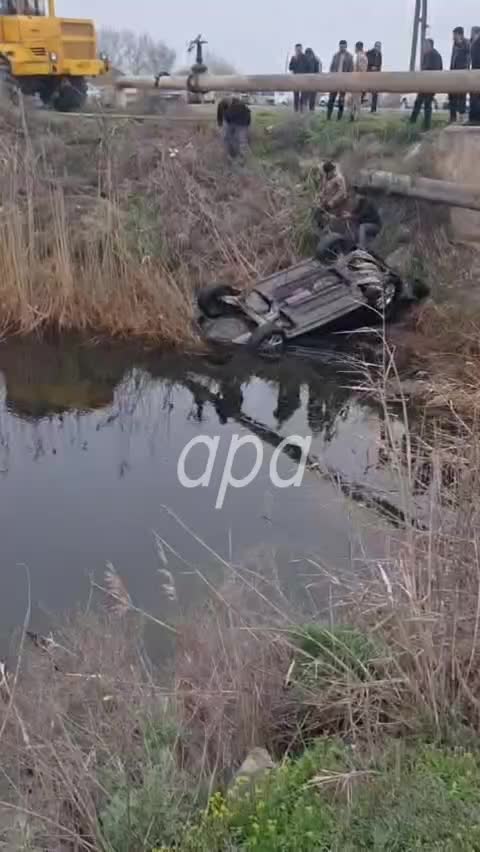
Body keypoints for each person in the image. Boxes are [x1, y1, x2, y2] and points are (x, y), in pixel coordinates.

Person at [410, 38, 443, 130]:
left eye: (425, 45)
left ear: (429, 45)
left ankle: (425, 125)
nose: (423, 47)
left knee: (426, 103)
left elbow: (436, 69)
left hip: (430, 83)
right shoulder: (427, 55)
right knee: (419, 102)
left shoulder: (434, 55)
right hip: (426, 83)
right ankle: (414, 122)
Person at [313, 160, 348, 228]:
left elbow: (342, 192)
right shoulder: (326, 177)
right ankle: (321, 227)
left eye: (328, 173)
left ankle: (327, 227)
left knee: (323, 213)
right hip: (327, 200)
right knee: (316, 211)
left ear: (331, 171)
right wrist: (319, 196)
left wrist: (332, 201)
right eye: (326, 173)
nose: (327, 175)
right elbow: (323, 189)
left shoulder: (339, 178)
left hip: (338, 201)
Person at [327, 40, 354, 120]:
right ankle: (328, 117)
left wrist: (348, 80)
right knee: (331, 98)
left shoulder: (349, 56)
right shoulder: (335, 56)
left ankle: (339, 117)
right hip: (335, 80)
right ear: (339, 46)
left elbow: (351, 69)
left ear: (346, 46)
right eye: (341, 46)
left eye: (343, 46)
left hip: (344, 80)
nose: (342, 48)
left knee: (341, 100)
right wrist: (331, 76)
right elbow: (331, 67)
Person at [449, 26, 470, 123]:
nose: (453, 36)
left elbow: (468, 57)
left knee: (462, 95)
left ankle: (461, 118)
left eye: (454, 34)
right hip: (453, 73)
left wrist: (466, 70)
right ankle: (452, 118)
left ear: (460, 34)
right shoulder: (454, 44)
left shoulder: (466, 43)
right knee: (452, 95)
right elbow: (453, 57)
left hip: (462, 73)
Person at [350, 41, 368, 121]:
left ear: (357, 47)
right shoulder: (361, 56)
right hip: (357, 81)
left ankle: (357, 117)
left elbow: (362, 70)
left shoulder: (361, 57)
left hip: (358, 81)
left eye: (355, 47)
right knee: (354, 100)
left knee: (357, 100)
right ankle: (353, 115)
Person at [289, 43, 310, 112]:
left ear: (301, 49)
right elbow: (290, 68)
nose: (298, 50)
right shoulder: (293, 58)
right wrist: (294, 60)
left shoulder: (305, 57)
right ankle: (296, 110)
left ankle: (302, 110)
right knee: (296, 95)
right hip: (295, 79)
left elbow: (308, 67)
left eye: (299, 49)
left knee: (303, 96)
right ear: (295, 49)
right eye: (297, 49)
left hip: (303, 79)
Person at [366, 41, 383, 113]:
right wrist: (371, 68)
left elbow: (380, 65)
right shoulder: (368, 53)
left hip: (376, 76)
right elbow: (366, 64)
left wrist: (378, 72)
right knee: (363, 91)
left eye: (379, 47)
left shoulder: (379, 54)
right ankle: (357, 106)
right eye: (377, 46)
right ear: (375, 46)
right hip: (368, 75)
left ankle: (373, 109)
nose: (378, 48)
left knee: (375, 93)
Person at [469, 27, 480, 125]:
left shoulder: (477, 43)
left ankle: (474, 119)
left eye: (472, 32)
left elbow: (476, 60)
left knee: (475, 98)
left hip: (477, 73)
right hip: (476, 72)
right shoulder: (474, 43)